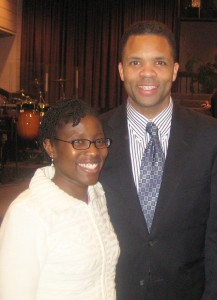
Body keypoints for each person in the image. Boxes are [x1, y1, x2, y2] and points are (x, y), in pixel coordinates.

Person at [99, 20, 217, 300]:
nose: (147, 73)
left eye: (160, 63)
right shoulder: (94, 137)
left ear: (175, 71)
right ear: (121, 70)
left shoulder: (210, 137)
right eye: (136, 62)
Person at [0, 98, 120, 300]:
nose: (93, 151)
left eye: (99, 141)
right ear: (50, 147)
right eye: (78, 142)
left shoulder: (98, 197)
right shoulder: (28, 213)